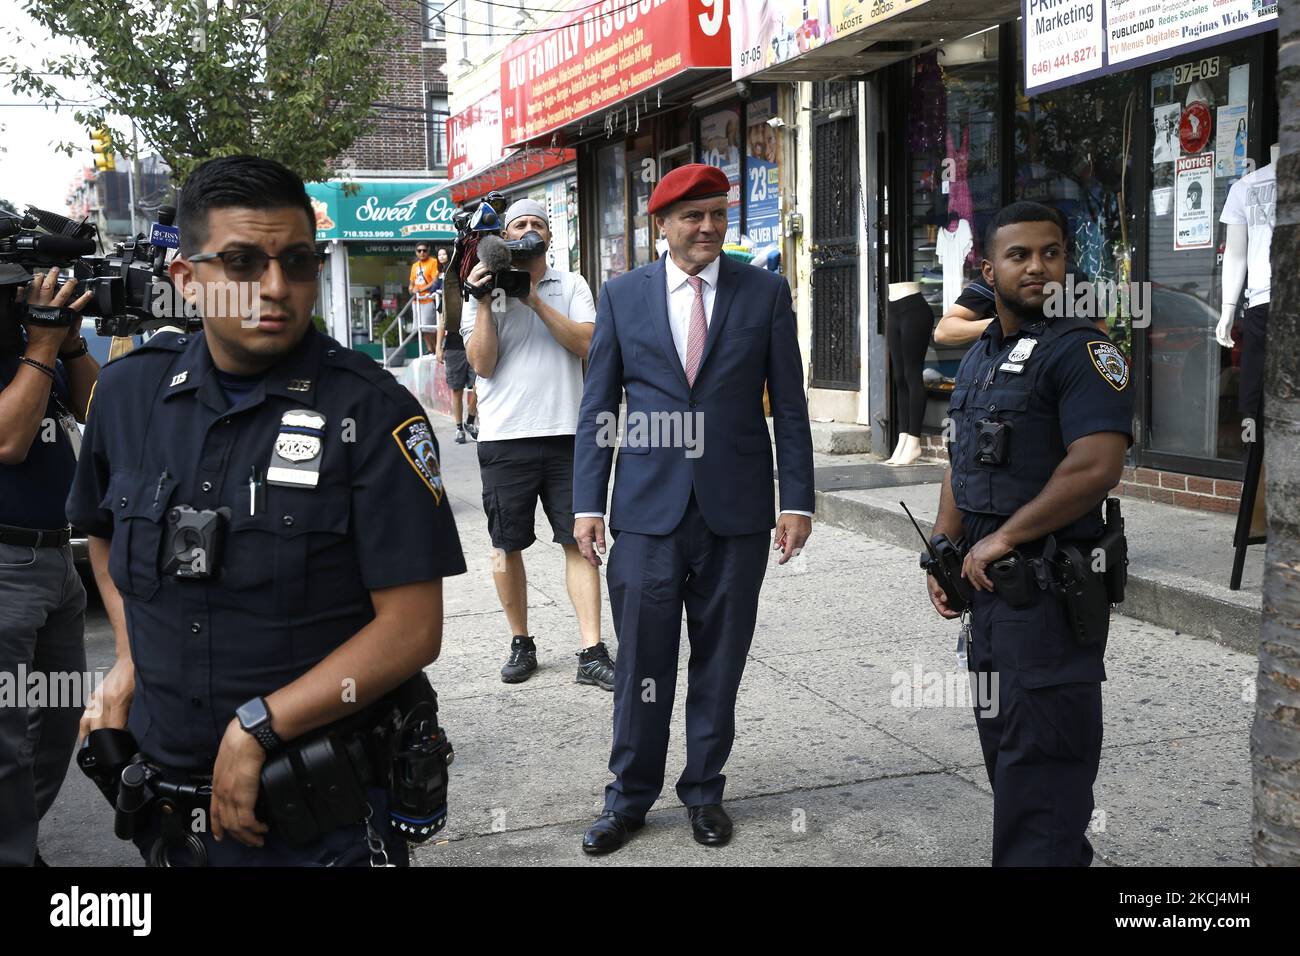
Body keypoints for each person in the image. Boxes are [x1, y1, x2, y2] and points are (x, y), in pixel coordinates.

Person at [68, 155, 467, 866]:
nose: (276, 288)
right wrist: (129, 655)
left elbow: (411, 630)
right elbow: (102, 536)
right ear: (188, 280)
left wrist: (258, 728)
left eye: (298, 262)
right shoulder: (129, 396)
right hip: (167, 811)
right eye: (244, 263)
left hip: (318, 820)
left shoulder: (372, 414)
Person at [572, 164, 814, 854]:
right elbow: (599, 407)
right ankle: (628, 800)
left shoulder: (763, 293)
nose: (707, 227)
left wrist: (795, 500)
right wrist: (588, 502)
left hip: (736, 514)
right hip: (647, 512)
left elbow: (790, 407)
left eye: (716, 213)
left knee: (719, 662)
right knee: (643, 667)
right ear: (662, 226)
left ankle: (705, 792)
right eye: (691, 217)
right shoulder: (623, 297)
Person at [926, 201, 1132, 866]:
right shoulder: (985, 352)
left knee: (1044, 768)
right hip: (991, 599)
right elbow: (966, 461)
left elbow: (1095, 466)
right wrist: (943, 550)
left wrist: (1002, 539)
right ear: (990, 269)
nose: (1038, 266)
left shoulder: (1085, 350)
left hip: (1048, 590)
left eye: (1051, 252)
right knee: (1011, 759)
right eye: (1020, 255)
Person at [461, 199, 612, 690]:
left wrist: (533, 299)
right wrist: (487, 301)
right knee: (507, 544)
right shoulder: (481, 287)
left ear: (550, 235)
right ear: (503, 237)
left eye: (537, 224)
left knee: (580, 543)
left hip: (569, 433)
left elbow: (589, 344)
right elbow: (481, 364)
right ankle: (521, 641)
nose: (528, 231)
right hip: (506, 437)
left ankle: (591, 650)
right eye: (518, 225)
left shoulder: (571, 285)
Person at [0, 262, 96, 866]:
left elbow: (100, 411)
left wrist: (72, 340)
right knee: (6, 740)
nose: (31, 291)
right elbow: (8, 442)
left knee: (59, 725)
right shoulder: (28, 350)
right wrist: (41, 344)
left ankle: (15, 841)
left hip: (57, 561)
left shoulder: (38, 348)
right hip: (5, 565)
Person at [433, 246, 477, 443]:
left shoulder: (478, 284)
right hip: (454, 346)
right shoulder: (449, 290)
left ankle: (470, 420)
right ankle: (459, 427)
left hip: (475, 342)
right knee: (457, 389)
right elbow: (442, 321)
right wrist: (438, 347)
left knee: (480, 386)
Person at [409, 242, 439, 352]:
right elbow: (412, 282)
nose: (422, 253)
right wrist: (411, 289)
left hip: (428, 299)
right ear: (416, 252)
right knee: (421, 328)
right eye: (419, 251)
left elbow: (435, 281)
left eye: (424, 250)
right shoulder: (415, 265)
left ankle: (437, 349)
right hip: (416, 301)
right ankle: (430, 349)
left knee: (430, 327)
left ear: (428, 250)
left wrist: (421, 289)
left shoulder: (433, 262)